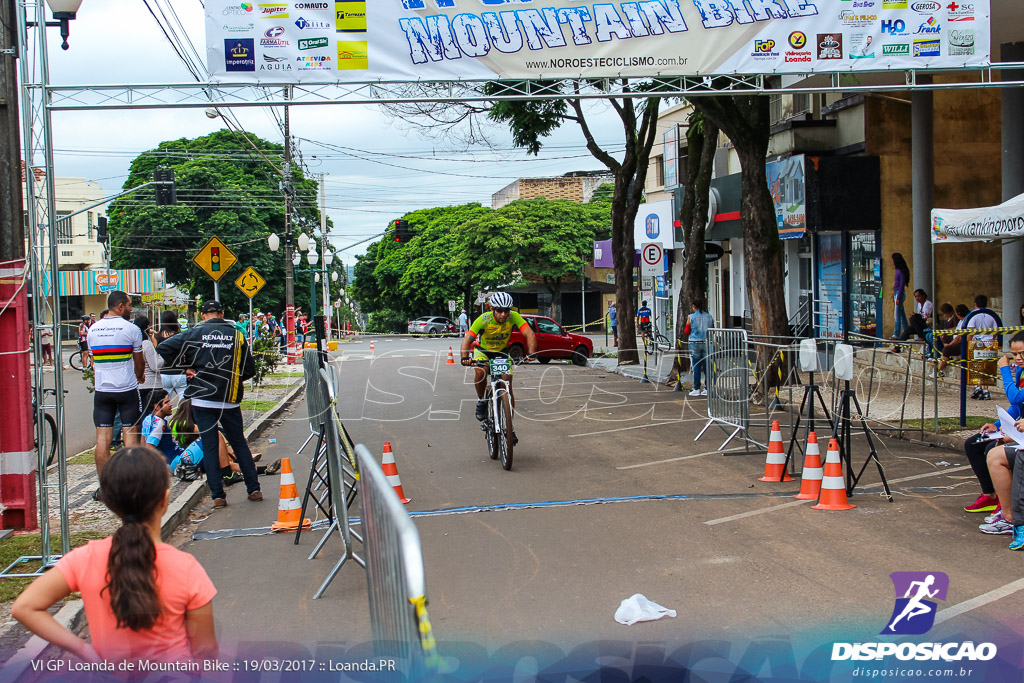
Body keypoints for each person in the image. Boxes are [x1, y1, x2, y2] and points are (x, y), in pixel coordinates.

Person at [11, 446, 218, 665]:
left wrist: (82, 649)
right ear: (164, 499)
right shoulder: (186, 567)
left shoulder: (85, 558)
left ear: (109, 503)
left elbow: (24, 607)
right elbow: (205, 652)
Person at [156, 300, 261, 508]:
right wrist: (233, 378)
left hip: (202, 398)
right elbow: (249, 370)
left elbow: (163, 347)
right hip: (229, 399)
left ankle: (218, 495)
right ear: (221, 314)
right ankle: (254, 489)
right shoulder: (237, 335)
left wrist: (186, 367)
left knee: (210, 445)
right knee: (239, 443)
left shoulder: (194, 334)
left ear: (203, 315)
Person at [87, 291, 145, 496]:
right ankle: (130, 486)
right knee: (130, 436)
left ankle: (105, 487)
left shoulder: (92, 329)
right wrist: (139, 376)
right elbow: (139, 361)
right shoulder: (131, 329)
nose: (130, 309)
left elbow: (93, 363)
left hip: (103, 391)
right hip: (127, 389)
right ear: (120, 306)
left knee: (102, 438)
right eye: (129, 305)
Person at [962, 331, 1024, 519]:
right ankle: (990, 494)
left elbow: (1015, 396)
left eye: (1022, 354)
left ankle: (1009, 511)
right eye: (1015, 354)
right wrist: (997, 425)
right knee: (973, 444)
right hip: (1018, 427)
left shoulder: (1013, 369)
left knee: (994, 449)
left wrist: (1004, 369)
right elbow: (1017, 405)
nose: (1018, 358)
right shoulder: (1021, 370)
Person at [460, 291, 537, 436]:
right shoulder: (483, 320)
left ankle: (509, 426)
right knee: (480, 372)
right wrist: (465, 357)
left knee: (507, 383)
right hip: (483, 351)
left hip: (501, 353)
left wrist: (531, 353)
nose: (503, 314)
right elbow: (467, 339)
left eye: (506, 310)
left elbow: (529, 333)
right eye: (499, 310)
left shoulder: (514, 317)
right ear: (492, 309)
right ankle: (481, 400)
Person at [967, 295, 999, 400]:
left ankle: (978, 387)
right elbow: (995, 331)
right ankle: (985, 389)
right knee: (987, 366)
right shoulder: (992, 315)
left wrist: (968, 343)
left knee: (977, 366)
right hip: (989, 342)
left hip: (977, 343)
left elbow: (971, 331)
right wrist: (990, 338)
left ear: (975, 304)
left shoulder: (973, 315)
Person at [685, 299, 715, 397]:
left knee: (696, 366)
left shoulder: (691, 317)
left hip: (694, 343)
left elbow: (687, 331)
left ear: (694, 306)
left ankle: (697, 388)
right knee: (707, 366)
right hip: (707, 343)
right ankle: (707, 388)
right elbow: (713, 330)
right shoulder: (709, 317)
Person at [135, 316, 163, 418]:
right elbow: (155, 366)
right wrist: (162, 357)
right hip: (152, 385)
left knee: (143, 416)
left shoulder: (134, 344)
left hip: (138, 386)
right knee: (153, 417)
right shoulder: (146, 343)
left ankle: (143, 434)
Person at [156, 311, 187, 401]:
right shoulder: (179, 335)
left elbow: (156, 354)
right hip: (179, 372)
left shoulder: (156, 336)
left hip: (163, 373)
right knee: (183, 402)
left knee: (164, 402)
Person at [933, 304, 970, 378]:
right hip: (955, 338)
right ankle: (941, 357)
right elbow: (956, 330)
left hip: (963, 342)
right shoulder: (961, 321)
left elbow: (959, 338)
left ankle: (939, 370)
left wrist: (950, 344)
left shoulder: (966, 321)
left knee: (947, 349)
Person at [891, 253, 910, 340]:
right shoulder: (898, 270)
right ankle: (907, 331)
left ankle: (896, 334)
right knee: (902, 315)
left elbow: (901, 284)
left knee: (897, 315)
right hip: (897, 293)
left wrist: (898, 297)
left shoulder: (900, 271)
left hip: (899, 293)